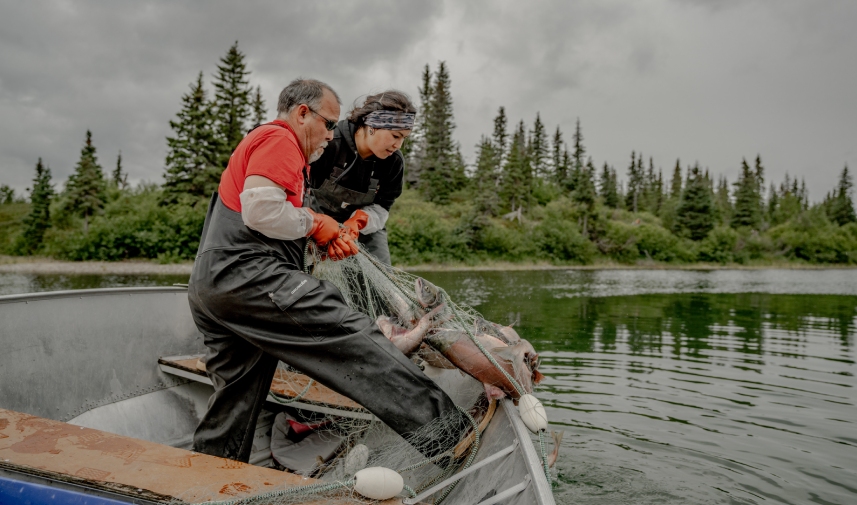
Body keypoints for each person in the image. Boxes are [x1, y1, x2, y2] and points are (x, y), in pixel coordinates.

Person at [187, 78, 464, 463]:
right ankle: (449, 435)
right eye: (329, 124)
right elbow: (261, 211)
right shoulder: (280, 138)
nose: (332, 134)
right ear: (303, 114)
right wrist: (317, 224)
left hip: (212, 286)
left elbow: (261, 213)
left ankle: (206, 478)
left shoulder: (267, 147)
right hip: (249, 277)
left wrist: (323, 231)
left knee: (237, 394)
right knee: (351, 332)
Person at [306, 91, 415, 265]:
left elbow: (383, 206)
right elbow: (301, 190)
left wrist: (357, 222)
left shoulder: (394, 162)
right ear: (372, 126)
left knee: (380, 280)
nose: (398, 145)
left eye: (404, 138)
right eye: (395, 136)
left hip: (365, 233)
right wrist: (319, 227)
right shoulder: (330, 142)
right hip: (316, 221)